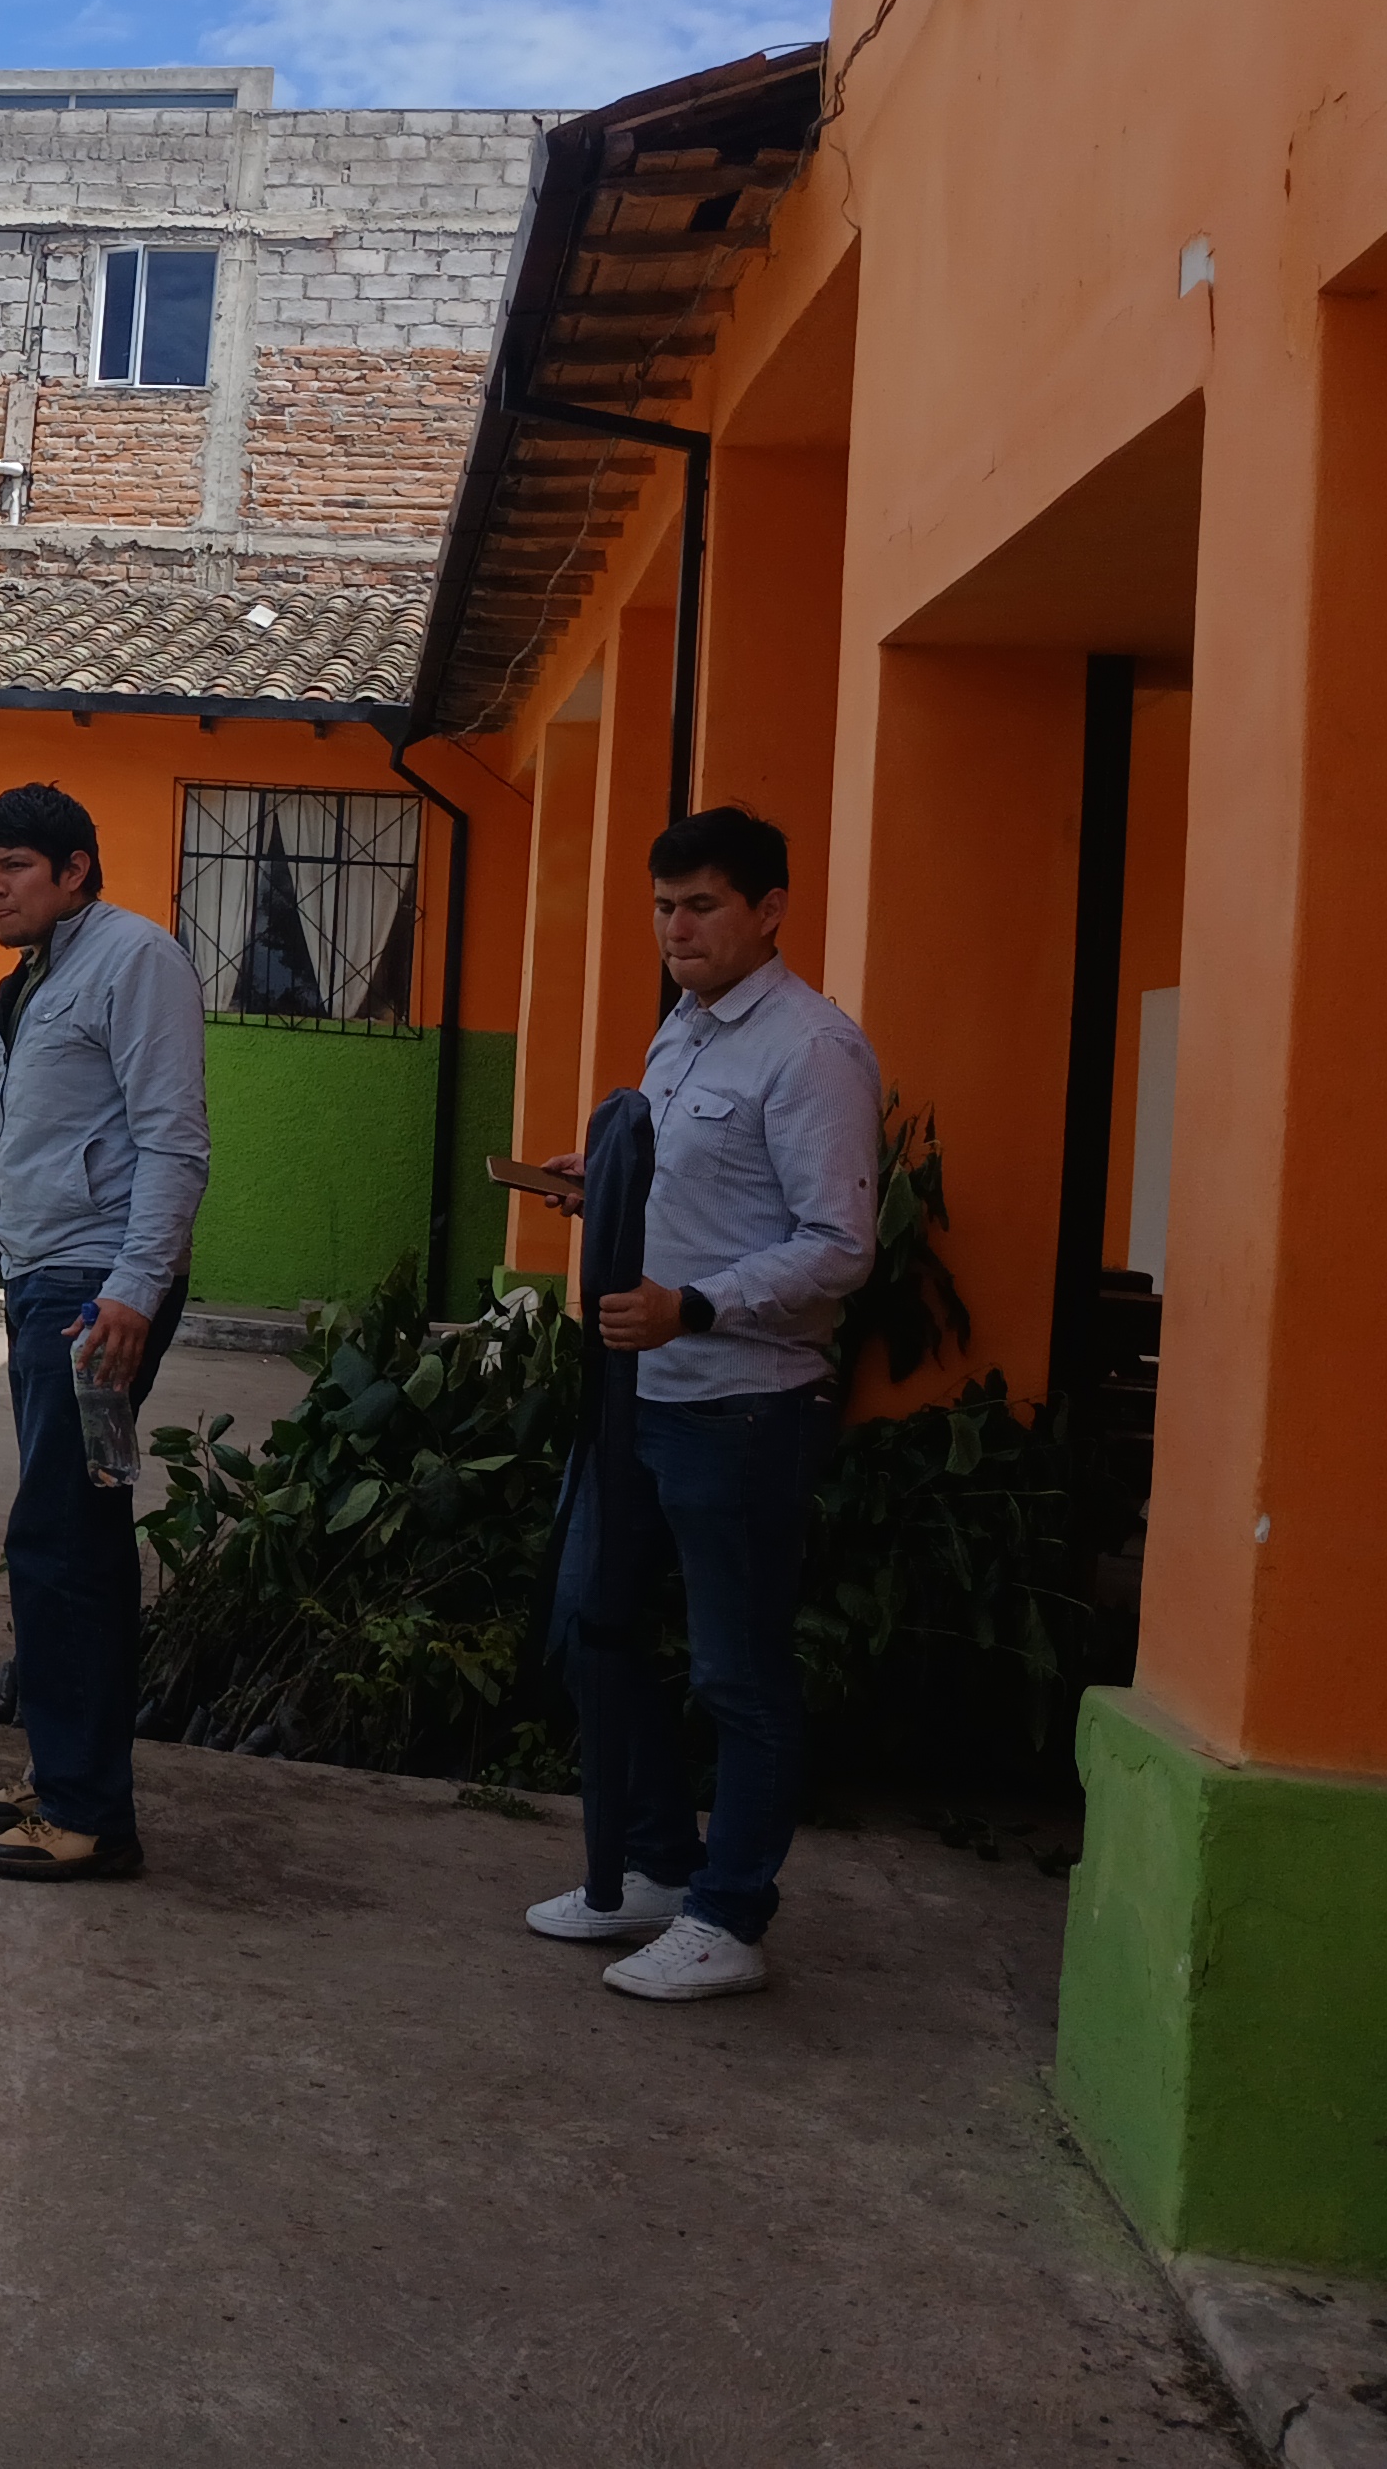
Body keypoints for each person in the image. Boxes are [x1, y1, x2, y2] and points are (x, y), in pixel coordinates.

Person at [530, 804, 879, 2001]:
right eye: (663, 908)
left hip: (742, 1410)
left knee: (738, 1672)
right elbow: (698, 1184)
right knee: (591, 1628)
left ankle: (730, 1918)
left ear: (770, 910)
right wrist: (601, 1182)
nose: (676, 930)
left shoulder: (811, 1050)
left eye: (702, 907)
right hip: (637, 1398)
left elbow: (839, 1245)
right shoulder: (678, 1032)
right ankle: (654, 1869)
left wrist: (696, 1306)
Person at [0, 784, 209, 1883]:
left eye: (14, 868)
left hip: (100, 1297)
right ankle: (60, 1775)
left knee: (68, 1539)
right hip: (47, 1285)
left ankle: (89, 1814)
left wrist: (134, 1292)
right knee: (61, 1532)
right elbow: (22, 1143)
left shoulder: (135, 961)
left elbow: (174, 1139)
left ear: (76, 870)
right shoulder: (34, 981)